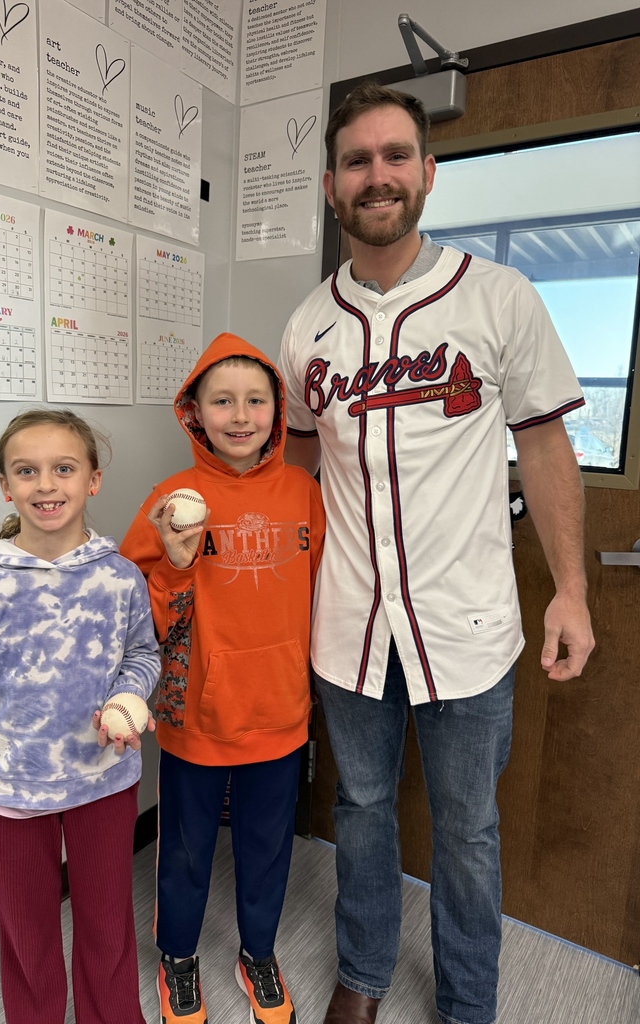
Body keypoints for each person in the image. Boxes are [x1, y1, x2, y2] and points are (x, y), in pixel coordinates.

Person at [278, 82, 595, 1024]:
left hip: (465, 621)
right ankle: (365, 975)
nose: (377, 176)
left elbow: (543, 444)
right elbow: (299, 464)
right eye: (356, 161)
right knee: (360, 811)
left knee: (466, 831)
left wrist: (572, 589)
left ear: (427, 171)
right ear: (331, 184)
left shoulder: (498, 296)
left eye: (394, 156)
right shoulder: (306, 327)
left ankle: (468, 1001)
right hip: (346, 622)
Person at [121, 333, 325, 1024]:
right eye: (222, 401)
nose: (240, 415)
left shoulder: (303, 492)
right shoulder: (171, 498)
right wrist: (176, 563)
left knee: (267, 849)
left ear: (277, 411)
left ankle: (258, 952)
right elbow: (134, 615)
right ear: (194, 413)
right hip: (196, 715)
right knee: (184, 850)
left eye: (256, 400)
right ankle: (178, 956)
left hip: (281, 709)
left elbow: (327, 589)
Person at [0, 408, 160, 1024]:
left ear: (92, 479)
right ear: (6, 487)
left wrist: (128, 697)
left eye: (64, 468)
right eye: (26, 471)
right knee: (28, 935)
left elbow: (143, 654)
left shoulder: (120, 580)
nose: (46, 485)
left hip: (104, 779)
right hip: (13, 787)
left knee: (106, 925)